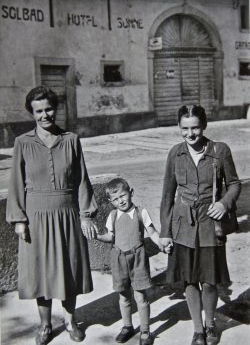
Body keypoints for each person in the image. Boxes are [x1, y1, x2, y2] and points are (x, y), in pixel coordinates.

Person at [6, 86, 98, 345]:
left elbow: (82, 180)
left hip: (67, 213)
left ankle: (71, 321)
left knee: (70, 269)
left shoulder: (71, 140)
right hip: (35, 216)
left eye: (48, 109)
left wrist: (86, 215)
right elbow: (15, 183)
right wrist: (19, 220)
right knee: (40, 272)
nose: (45, 115)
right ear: (32, 113)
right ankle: (45, 325)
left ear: (55, 109)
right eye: (38, 111)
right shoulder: (22, 143)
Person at [159, 105, 241, 345]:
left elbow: (235, 183)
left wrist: (225, 203)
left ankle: (211, 325)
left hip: (210, 223)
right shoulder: (175, 153)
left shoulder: (219, 151)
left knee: (209, 279)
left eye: (195, 127)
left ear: (204, 126)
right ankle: (197, 330)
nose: (190, 133)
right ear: (179, 128)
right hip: (183, 225)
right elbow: (167, 195)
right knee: (189, 279)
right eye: (185, 128)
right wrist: (165, 232)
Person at [93, 178, 167, 345]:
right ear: (111, 202)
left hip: (138, 258)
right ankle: (127, 326)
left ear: (131, 193)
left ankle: (145, 331)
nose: (121, 201)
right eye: (116, 199)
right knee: (124, 296)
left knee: (141, 296)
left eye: (123, 195)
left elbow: (153, 233)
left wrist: (161, 244)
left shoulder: (141, 212)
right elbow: (110, 237)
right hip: (118, 260)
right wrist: (96, 235)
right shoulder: (112, 216)